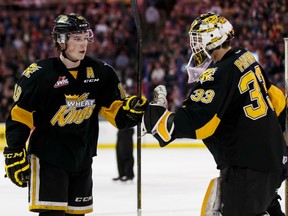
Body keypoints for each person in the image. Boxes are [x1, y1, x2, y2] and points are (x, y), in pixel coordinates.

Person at [143, 12, 288, 216]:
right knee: (270, 209)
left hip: (247, 168)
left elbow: (202, 123)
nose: (194, 44)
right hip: (275, 159)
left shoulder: (218, 73)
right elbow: (278, 100)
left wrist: (161, 121)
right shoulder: (245, 57)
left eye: (198, 38)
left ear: (213, 38)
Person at [3, 13, 147, 216]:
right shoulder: (39, 75)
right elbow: (20, 117)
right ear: (61, 41)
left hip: (82, 160)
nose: (83, 44)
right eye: (76, 39)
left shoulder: (102, 73)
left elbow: (118, 116)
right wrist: (15, 150)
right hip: (48, 160)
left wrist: (130, 111)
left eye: (84, 38)